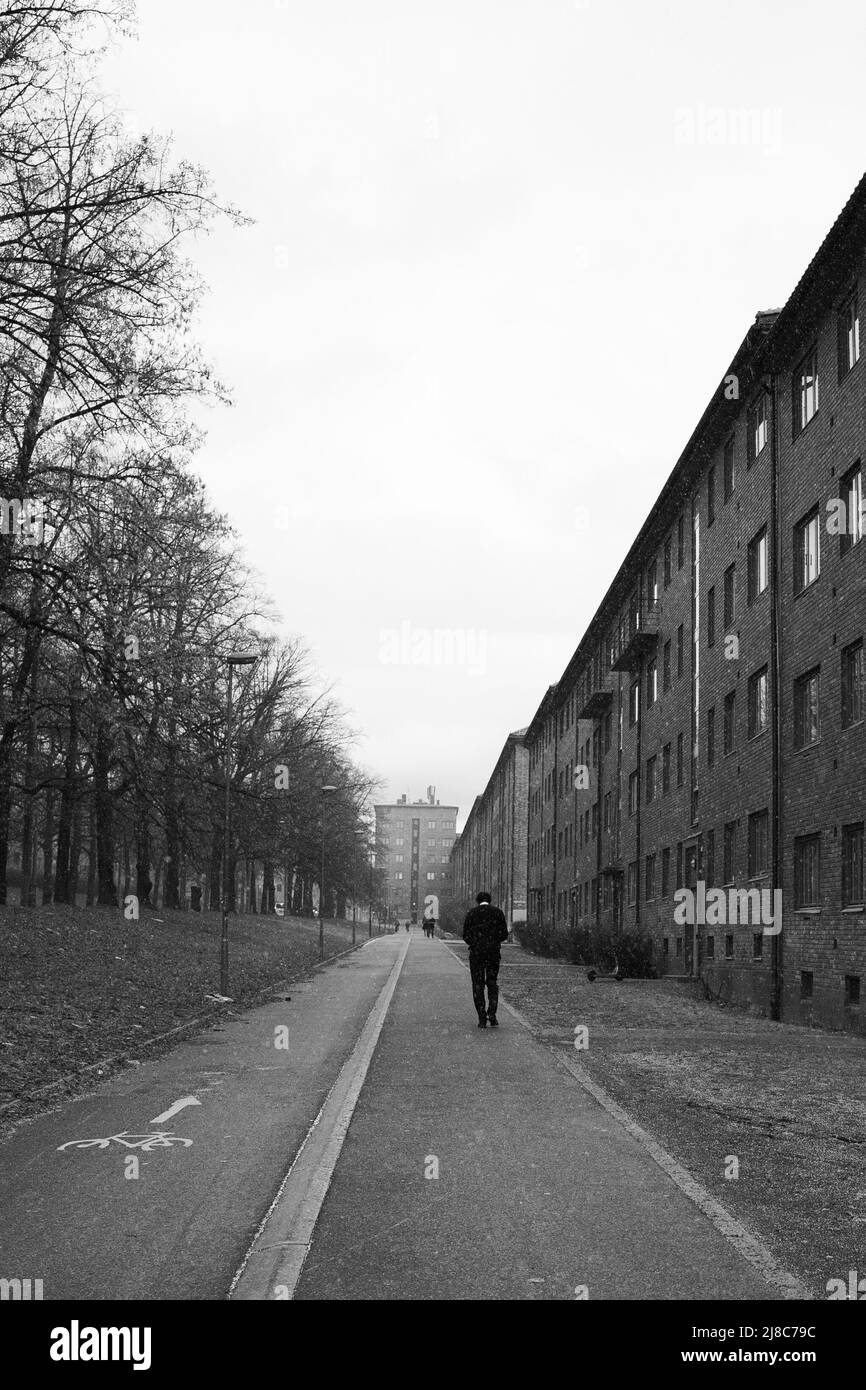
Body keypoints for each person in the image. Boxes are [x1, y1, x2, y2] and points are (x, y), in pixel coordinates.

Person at [462, 891, 509, 1028]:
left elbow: (465, 935)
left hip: (476, 954)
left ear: (477, 901)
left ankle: (482, 1018)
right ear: (490, 900)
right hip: (493, 953)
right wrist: (493, 942)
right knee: (492, 982)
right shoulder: (497, 913)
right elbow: (504, 934)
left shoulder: (472, 913)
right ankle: (492, 1013)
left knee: (478, 984)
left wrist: (475, 943)